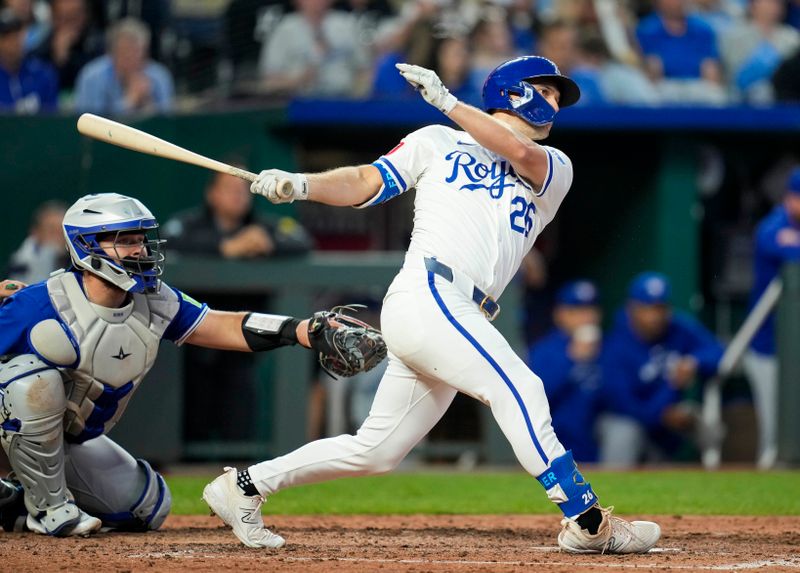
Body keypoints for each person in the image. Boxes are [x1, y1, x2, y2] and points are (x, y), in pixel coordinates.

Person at [203, 55, 662, 554]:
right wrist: (301, 185)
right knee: (520, 386)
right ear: (511, 92)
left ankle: (243, 486)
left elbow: (513, 149)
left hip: (461, 312)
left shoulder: (555, 167)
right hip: (430, 294)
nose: (553, 104)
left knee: (377, 449)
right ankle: (588, 522)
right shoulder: (435, 140)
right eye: (545, 91)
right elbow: (364, 180)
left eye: (557, 97)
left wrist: (447, 101)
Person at [0, 192, 381, 537]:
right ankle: (49, 511)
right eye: (123, 241)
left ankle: (10, 503)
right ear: (86, 246)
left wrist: (301, 330)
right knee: (29, 382)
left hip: (72, 438)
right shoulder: (38, 303)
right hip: (8, 431)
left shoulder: (154, 300)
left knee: (147, 507)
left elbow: (225, 326)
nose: (138, 251)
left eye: (139, 240)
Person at [162, 170, 312, 443]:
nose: (238, 195)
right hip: (194, 336)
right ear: (213, 193)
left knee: (240, 410)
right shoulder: (190, 223)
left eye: (243, 190)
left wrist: (269, 245)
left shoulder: (262, 225)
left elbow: (301, 240)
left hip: (243, 338)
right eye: (230, 189)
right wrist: (225, 247)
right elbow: (169, 240)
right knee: (195, 411)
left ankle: (237, 465)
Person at [599, 272, 724, 467]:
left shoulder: (677, 328)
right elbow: (627, 406)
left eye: (660, 308)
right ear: (633, 309)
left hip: (667, 418)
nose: (655, 316)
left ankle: (715, 478)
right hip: (628, 419)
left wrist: (694, 362)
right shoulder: (616, 345)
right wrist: (666, 406)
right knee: (624, 431)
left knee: (709, 426)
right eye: (647, 308)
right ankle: (611, 488)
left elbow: (716, 351)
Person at [743, 167, 800, 469]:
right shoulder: (772, 227)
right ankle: (771, 469)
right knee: (777, 432)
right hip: (767, 343)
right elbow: (789, 253)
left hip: (794, 345)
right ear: (790, 198)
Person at [528, 280, 603, 463]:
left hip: (597, 430)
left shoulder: (608, 346)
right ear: (560, 314)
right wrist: (571, 359)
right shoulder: (544, 349)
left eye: (590, 310)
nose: (586, 317)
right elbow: (538, 398)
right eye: (576, 311)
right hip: (557, 435)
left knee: (619, 429)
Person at [73, 17, 174, 115]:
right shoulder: (92, 76)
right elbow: (90, 123)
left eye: (136, 52)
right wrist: (128, 102)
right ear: (111, 53)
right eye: (125, 52)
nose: (131, 59)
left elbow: (166, 121)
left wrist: (147, 102)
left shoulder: (159, 76)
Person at [0, 7, 58, 113]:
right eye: (7, 37)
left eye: (17, 35)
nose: (14, 42)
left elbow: (53, 117)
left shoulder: (42, 74)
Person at [6, 200, 68, 284]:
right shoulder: (26, 261)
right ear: (36, 233)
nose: (58, 237)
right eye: (52, 231)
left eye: (62, 232)